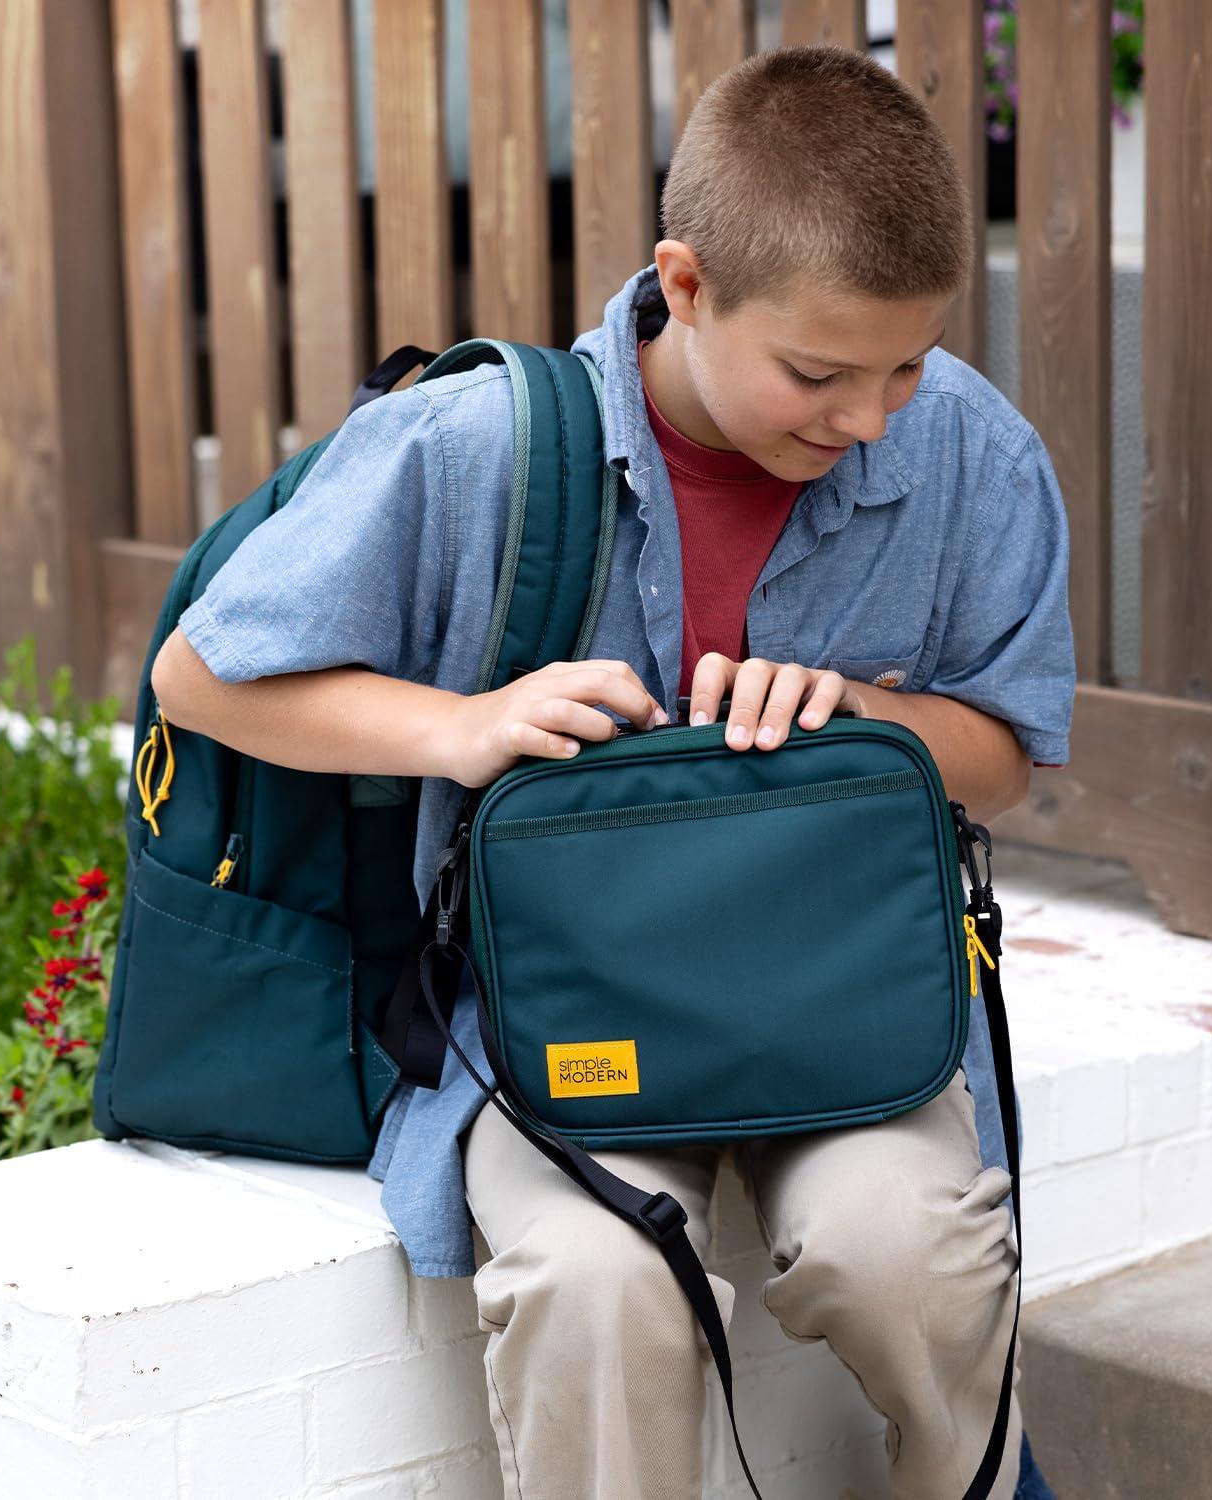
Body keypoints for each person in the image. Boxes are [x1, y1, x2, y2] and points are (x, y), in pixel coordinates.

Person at [152, 44, 1073, 1500]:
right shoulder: (472, 446)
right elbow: (199, 675)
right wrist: (459, 727)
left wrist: (866, 715)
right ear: (685, 284)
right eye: (819, 374)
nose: (872, 421)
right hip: (554, 1027)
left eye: (908, 364)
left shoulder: (970, 451)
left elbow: (1009, 760)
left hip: (846, 1011)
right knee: (593, 1284)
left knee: (908, 1247)